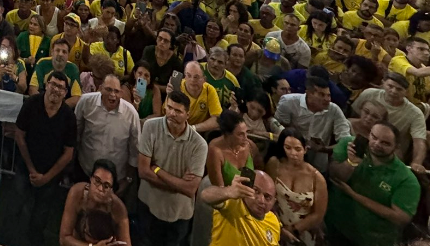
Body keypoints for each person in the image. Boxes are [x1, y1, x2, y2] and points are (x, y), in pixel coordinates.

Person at [7, 71, 78, 246]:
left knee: (40, 216)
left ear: (65, 92)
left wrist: (46, 177)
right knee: (14, 208)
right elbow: (20, 135)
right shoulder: (32, 104)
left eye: (61, 87)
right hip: (25, 169)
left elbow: (68, 153)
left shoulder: (69, 117)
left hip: (51, 175)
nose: (56, 89)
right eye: (53, 84)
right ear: (46, 85)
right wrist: (31, 169)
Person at [326, 121, 420, 246]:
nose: (376, 144)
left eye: (385, 143)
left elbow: (400, 218)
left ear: (396, 147)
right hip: (335, 226)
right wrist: (351, 162)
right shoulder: (350, 145)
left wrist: (354, 195)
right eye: (374, 137)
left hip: (372, 239)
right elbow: (335, 176)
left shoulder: (406, 179)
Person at [136, 90, 209, 246]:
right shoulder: (150, 127)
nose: (172, 114)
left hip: (179, 214)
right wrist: (178, 185)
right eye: (169, 108)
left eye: (178, 111)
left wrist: (157, 170)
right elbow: (143, 171)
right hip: (148, 205)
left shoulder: (199, 145)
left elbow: (190, 189)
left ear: (188, 115)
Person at [74, 75, 140, 195]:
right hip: (85, 171)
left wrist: (128, 180)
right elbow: (76, 133)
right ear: (101, 88)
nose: (113, 95)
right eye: (109, 89)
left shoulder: (131, 114)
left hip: (115, 179)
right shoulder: (85, 102)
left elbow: (134, 151)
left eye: (116, 91)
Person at [274, 74, 352, 172]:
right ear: (309, 93)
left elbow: (345, 141)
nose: (327, 99)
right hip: (288, 157)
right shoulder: (288, 102)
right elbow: (277, 127)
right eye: (322, 95)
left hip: (318, 166)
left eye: (328, 95)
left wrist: (322, 148)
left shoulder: (334, 110)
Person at [352, 73, 429, 171]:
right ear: (383, 83)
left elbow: (419, 141)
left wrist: (416, 163)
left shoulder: (415, 113)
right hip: (358, 145)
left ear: (406, 92)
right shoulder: (369, 94)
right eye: (390, 86)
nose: (393, 91)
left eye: (399, 89)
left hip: (388, 156)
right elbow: (354, 115)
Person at [264, 128, 328, 246]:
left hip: (303, 230)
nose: (293, 153)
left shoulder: (316, 178)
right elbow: (267, 195)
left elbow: (318, 214)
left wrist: (293, 230)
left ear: (305, 149)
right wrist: (279, 227)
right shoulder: (274, 165)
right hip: (275, 223)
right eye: (288, 148)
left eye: (297, 149)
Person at [58, 159, 132, 246]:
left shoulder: (118, 208)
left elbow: (126, 244)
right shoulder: (77, 193)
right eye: (97, 181)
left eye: (106, 186)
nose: (100, 189)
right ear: (90, 178)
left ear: (111, 189)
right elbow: (64, 238)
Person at [199, 172, 280, 246]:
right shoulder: (233, 203)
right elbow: (205, 195)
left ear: (274, 201)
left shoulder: (273, 221)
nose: (261, 200)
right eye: (256, 191)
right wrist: (228, 192)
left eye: (267, 197)